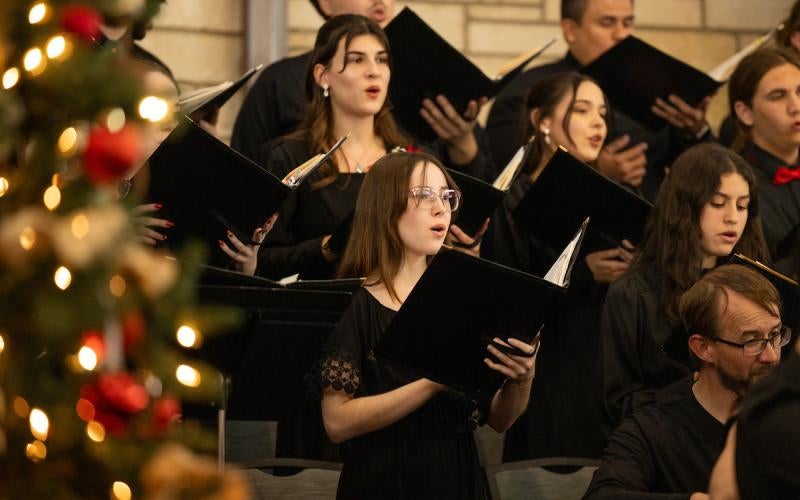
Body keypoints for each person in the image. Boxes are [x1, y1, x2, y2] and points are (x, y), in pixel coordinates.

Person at [314, 151, 538, 499]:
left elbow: (499, 419)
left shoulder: (463, 300)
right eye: (423, 195)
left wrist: (523, 379)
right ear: (385, 207)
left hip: (458, 476)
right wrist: (431, 383)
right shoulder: (355, 302)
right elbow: (337, 423)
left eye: (447, 197)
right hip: (383, 481)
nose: (441, 209)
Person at [235, 15, 485, 281]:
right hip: (320, 312)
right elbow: (263, 261)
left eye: (381, 59)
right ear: (322, 76)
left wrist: (464, 251)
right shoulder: (288, 158)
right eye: (357, 59)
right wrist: (330, 246)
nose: (374, 70)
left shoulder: (416, 157)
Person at [483, 72, 635, 459]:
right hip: (546, 375)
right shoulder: (515, 200)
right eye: (582, 110)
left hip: (605, 369)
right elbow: (509, 298)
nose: (598, 122)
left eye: (602, 112)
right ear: (542, 120)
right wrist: (585, 274)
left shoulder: (614, 198)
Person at [600, 143, 770, 432]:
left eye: (742, 206)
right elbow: (619, 403)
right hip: (664, 447)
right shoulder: (632, 293)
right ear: (685, 206)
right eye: (718, 203)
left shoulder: (753, 285)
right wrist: (699, 390)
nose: (732, 217)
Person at [585, 264, 786, 499]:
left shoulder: (787, 413)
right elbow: (602, 496)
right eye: (751, 342)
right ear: (703, 348)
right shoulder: (651, 431)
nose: (771, 355)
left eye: (775, 335)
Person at [231, 0, 491, 175]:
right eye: (356, 60)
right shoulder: (280, 82)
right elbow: (244, 182)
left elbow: (469, 205)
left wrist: (462, 143)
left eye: (381, 60)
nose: (381, 1)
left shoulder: (428, 75)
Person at [486, 0, 711, 201]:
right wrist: (594, 171)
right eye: (607, 22)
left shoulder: (654, 92)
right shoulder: (527, 92)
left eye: (627, 23)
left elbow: (702, 180)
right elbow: (505, 178)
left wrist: (695, 132)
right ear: (570, 30)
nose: (622, 34)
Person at [728, 47, 800, 273]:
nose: (796, 107)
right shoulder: (734, 185)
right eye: (777, 96)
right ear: (745, 112)